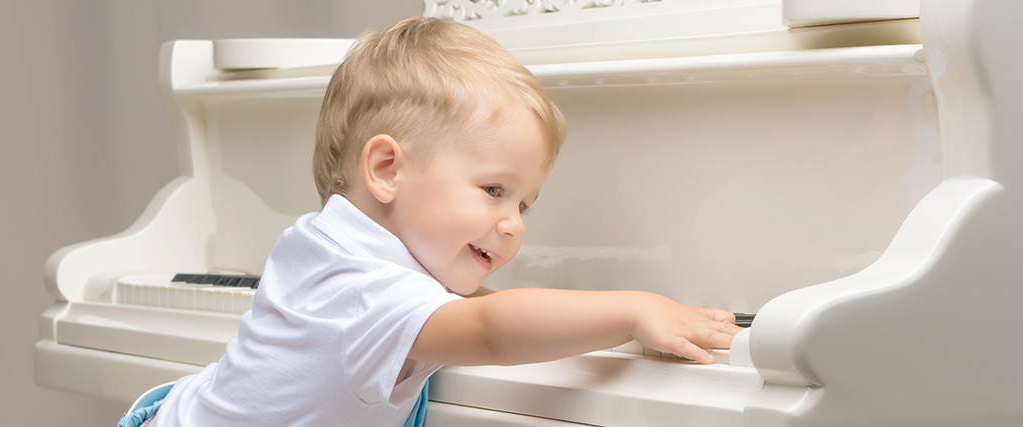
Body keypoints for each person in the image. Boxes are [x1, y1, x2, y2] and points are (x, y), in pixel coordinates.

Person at [134, 16, 740, 427]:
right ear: (387, 169)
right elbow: (490, 330)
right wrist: (632, 310)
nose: (512, 225)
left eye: (524, 205)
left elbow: (485, 312)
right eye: (494, 190)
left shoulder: (343, 245)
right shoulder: (359, 288)